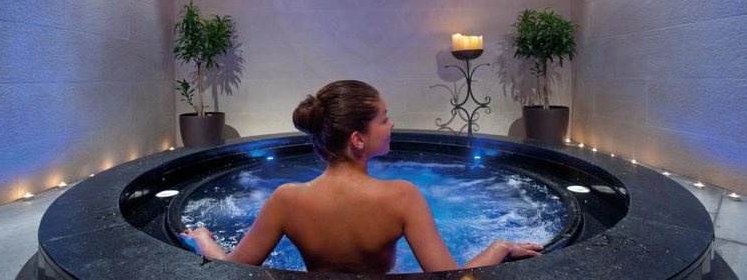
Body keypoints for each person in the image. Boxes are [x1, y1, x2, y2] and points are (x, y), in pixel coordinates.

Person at [181, 80, 543, 273]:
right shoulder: (402, 197)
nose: (391, 124)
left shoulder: (286, 199)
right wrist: (498, 248)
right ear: (358, 138)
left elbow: (232, 270)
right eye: (383, 119)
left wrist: (204, 239)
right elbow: (450, 278)